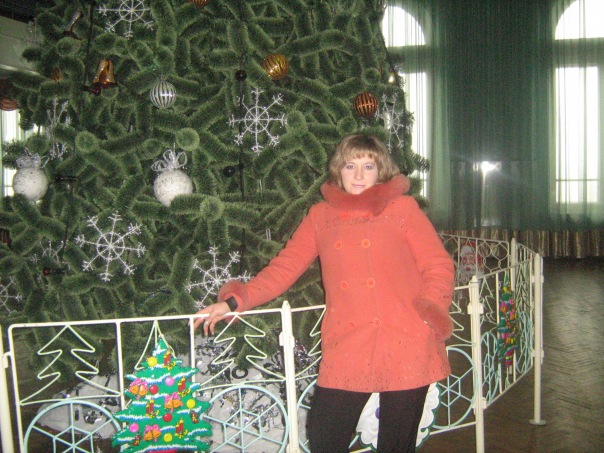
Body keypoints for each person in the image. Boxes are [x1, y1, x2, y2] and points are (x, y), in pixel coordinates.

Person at [193, 133, 454, 452]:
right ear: (338, 171)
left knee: (396, 444)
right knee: (325, 437)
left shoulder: (402, 209)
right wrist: (234, 301)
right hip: (349, 341)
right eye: (350, 165)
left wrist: (430, 311)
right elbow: (283, 269)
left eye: (368, 166)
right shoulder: (321, 216)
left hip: (406, 339)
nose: (359, 175)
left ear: (381, 171)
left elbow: (438, 264)